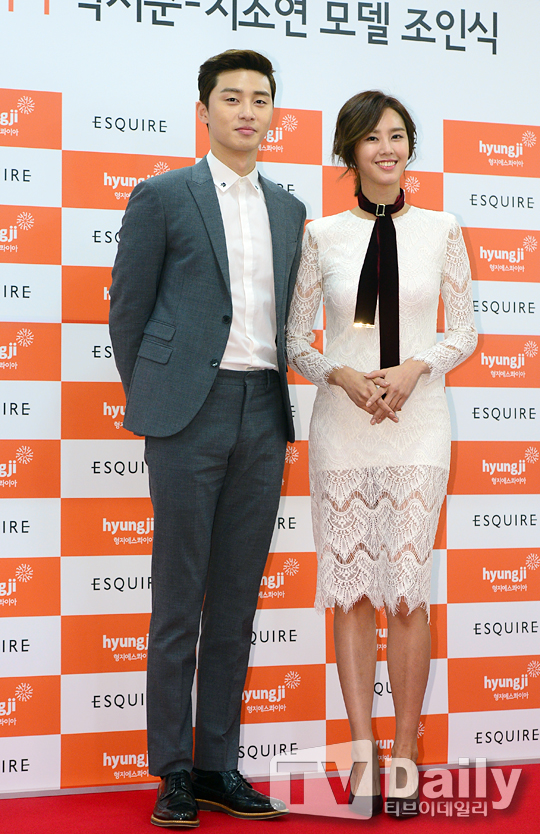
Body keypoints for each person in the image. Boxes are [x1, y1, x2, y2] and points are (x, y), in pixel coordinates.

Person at [109, 49, 306, 828]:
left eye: (260, 98)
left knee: (236, 599)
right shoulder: (163, 195)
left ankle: (219, 764)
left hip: (265, 410)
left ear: (273, 113)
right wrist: (159, 399)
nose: (247, 111)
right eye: (232, 98)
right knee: (177, 598)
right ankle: (173, 771)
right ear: (205, 110)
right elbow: (128, 313)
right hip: (188, 414)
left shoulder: (289, 210)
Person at [286, 90, 477, 818]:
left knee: (405, 590)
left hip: (417, 423)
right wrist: (341, 374)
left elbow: (464, 331)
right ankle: (363, 751)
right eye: (373, 138)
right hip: (344, 425)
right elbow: (297, 341)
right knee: (352, 591)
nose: (388, 149)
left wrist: (416, 367)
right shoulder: (321, 235)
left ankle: (405, 751)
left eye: (398, 136)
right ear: (350, 151)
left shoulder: (441, 229)